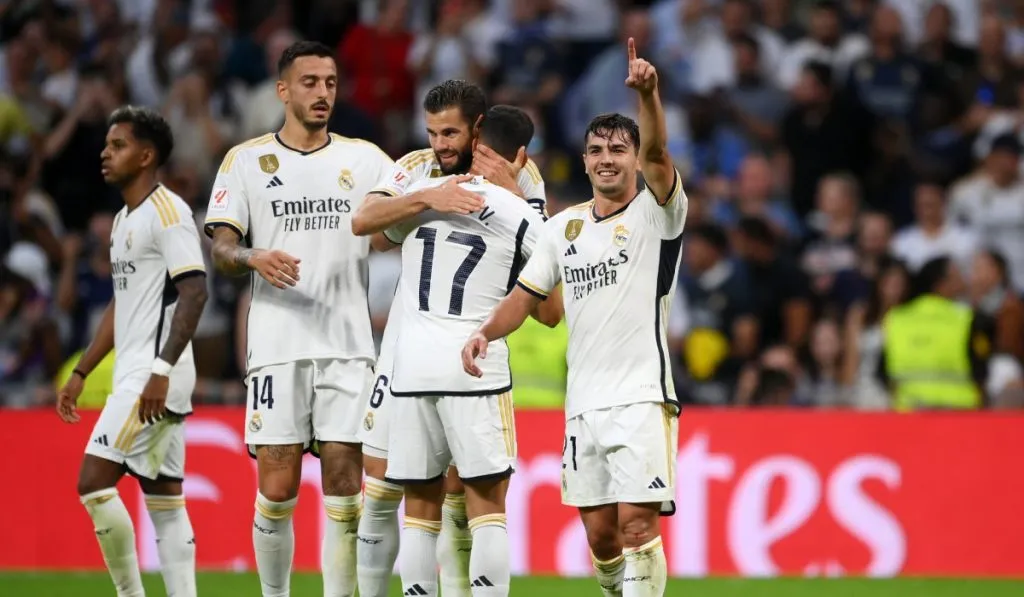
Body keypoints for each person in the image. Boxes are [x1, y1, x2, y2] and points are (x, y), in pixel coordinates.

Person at [463, 38, 687, 597]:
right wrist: (485, 332)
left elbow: (660, 153)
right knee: (601, 537)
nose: (607, 158)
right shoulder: (562, 228)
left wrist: (648, 95)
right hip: (583, 404)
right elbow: (527, 296)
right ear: (584, 160)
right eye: (596, 150)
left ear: (634, 159)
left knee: (638, 528)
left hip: (641, 398)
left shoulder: (657, 213)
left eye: (618, 149)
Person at [204, 41, 395, 597]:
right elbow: (221, 248)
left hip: (347, 345)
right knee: (277, 485)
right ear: (283, 90)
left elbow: (389, 234)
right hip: (276, 343)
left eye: (330, 83)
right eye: (310, 82)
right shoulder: (245, 160)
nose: (322, 93)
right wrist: (252, 256)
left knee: (344, 480)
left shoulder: (366, 159)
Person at [350, 85, 550, 597]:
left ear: (478, 131)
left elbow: (377, 234)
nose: (439, 144)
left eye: (450, 133)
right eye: (432, 132)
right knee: (480, 507)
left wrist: (426, 203)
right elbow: (550, 305)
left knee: (423, 507)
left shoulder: (515, 183)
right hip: (463, 358)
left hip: (416, 360)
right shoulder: (436, 175)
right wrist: (430, 197)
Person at [56, 105, 207, 597]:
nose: (105, 153)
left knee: (93, 483)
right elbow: (121, 305)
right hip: (141, 370)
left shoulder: (168, 212)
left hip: (153, 373)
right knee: (165, 500)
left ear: (146, 156)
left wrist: (160, 370)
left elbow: (195, 291)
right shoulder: (124, 219)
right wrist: (82, 371)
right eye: (106, 144)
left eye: (117, 145)